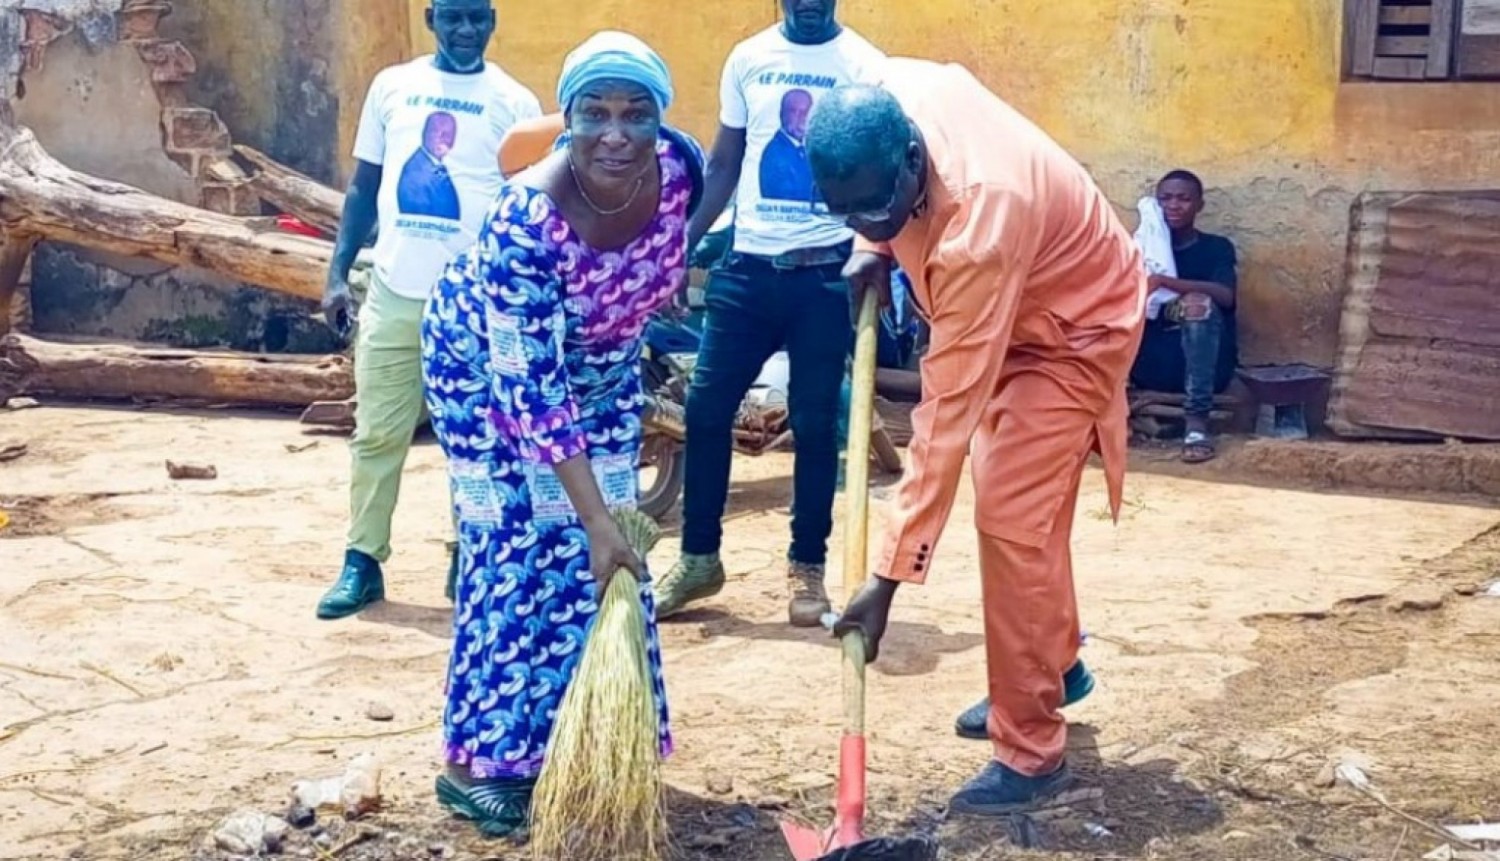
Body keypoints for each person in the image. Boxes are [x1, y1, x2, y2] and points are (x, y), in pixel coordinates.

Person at [806, 64, 1146, 812]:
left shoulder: (982, 220)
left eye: (882, 210)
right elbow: (888, 209)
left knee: (1012, 515)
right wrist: (881, 243)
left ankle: (1031, 749)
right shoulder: (882, 94)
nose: (870, 224)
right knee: (1020, 508)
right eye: (851, 215)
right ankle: (1055, 666)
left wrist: (887, 579)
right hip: (1020, 300)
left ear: (910, 162)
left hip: (1073, 327)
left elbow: (943, 418)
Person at [419, 31, 703, 836]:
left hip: (605, 362)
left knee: (614, 558)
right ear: (566, 121)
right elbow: (529, 390)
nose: (616, 133)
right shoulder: (525, 226)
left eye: (635, 114)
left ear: (659, 121)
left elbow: (675, 250)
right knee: (519, 544)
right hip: (485, 370)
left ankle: (595, 739)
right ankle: (481, 764)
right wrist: (593, 517)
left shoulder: (677, 170)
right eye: (595, 114)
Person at [652, 0, 887, 627]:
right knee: (704, 410)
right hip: (746, 270)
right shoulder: (749, 58)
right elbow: (725, 163)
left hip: (826, 275)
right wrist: (682, 243)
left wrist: (877, 251)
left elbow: (883, 173)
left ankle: (807, 567)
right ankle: (699, 557)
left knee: (815, 425)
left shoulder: (865, 65)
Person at [315, 0, 542, 620]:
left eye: (477, 18)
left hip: (474, 302)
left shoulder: (515, 103)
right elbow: (365, 186)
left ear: (493, 21)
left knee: (473, 438)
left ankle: (467, 555)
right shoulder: (393, 87)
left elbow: (526, 207)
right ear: (431, 20)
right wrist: (337, 274)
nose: (465, 30)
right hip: (394, 290)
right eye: (453, 18)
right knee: (377, 432)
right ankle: (362, 561)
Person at [1130, 170, 1239, 463]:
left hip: (1206, 371)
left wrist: (1166, 282)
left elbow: (1226, 296)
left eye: (1183, 198)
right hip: (1151, 368)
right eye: (1165, 198)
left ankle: (1196, 424)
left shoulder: (1216, 248)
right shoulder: (1139, 249)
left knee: (1197, 305)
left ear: (1199, 205)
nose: (1173, 206)